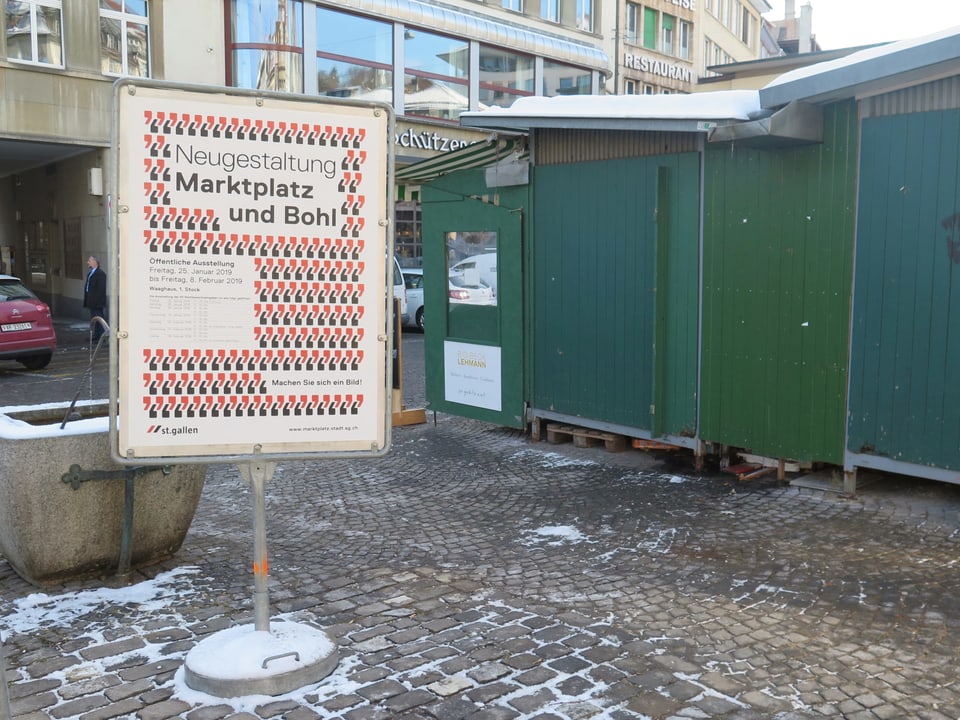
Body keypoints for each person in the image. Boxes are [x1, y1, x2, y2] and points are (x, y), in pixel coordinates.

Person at [83, 255, 107, 343]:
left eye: (89, 261)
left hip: (97, 301)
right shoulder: (90, 273)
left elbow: (101, 289)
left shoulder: (100, 274)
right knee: (94, 317)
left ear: (95, 262)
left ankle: (101, 335)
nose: (87, 262)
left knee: (99, 317)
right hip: (91, 300)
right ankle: (97, 335)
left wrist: (96, 301)